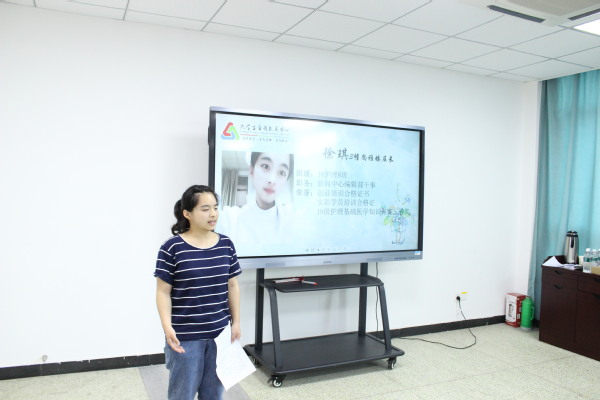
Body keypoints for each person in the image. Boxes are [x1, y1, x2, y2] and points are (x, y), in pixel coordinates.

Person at [155, 184, 241, 400]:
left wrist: (236, 322)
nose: (213, 214)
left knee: (213, 394)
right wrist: (167, 327)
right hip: (185, 337)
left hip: (219, 334)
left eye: (215, 207)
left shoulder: (226, 245)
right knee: (182, 395)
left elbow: (232, 285)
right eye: (205, 209)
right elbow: (163, 292)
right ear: (187, 214)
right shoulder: (172, 248)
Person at [218, 151, 294, 256]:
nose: (272, 180)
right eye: (266, 166)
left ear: (286, 181)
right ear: (252, 170)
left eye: (282, 173)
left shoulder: (295, 221)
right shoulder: (229, 219)